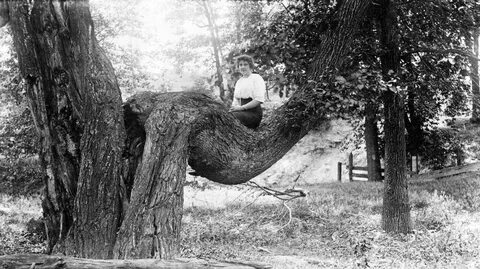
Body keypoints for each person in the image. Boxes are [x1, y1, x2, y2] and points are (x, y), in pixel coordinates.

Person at [229, 55, 266, 129]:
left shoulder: (256, 78)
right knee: (224, 116)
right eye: (240, 65)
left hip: (253, 114)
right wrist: (234, 108)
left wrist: (241, 108)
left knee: (232, 117)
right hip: (241, 112)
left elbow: (258, 100)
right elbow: (236, 100)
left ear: (250, 66)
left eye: (245, 64)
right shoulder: (239, 81)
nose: (242, 67)